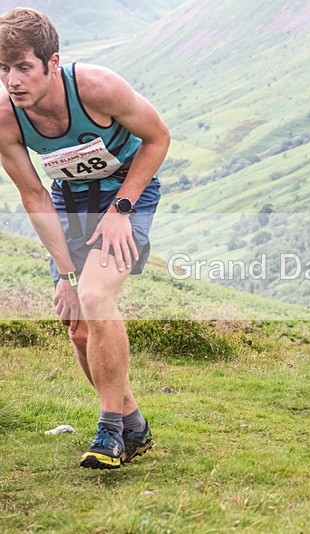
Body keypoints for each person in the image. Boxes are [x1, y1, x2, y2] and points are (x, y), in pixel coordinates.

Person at [0, 8, 169, 469]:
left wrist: (121, 210)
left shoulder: (96, 87)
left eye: (22, 67)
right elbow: (33, 193)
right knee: (77, 321)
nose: (12, 81)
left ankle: (110, 433)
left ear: (52, 63)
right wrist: (64, 274)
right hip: (68, 204)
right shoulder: (6, 118)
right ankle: (134, 423)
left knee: (96, 296)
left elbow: (158, 138)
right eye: (2, 69)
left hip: (126, 192)